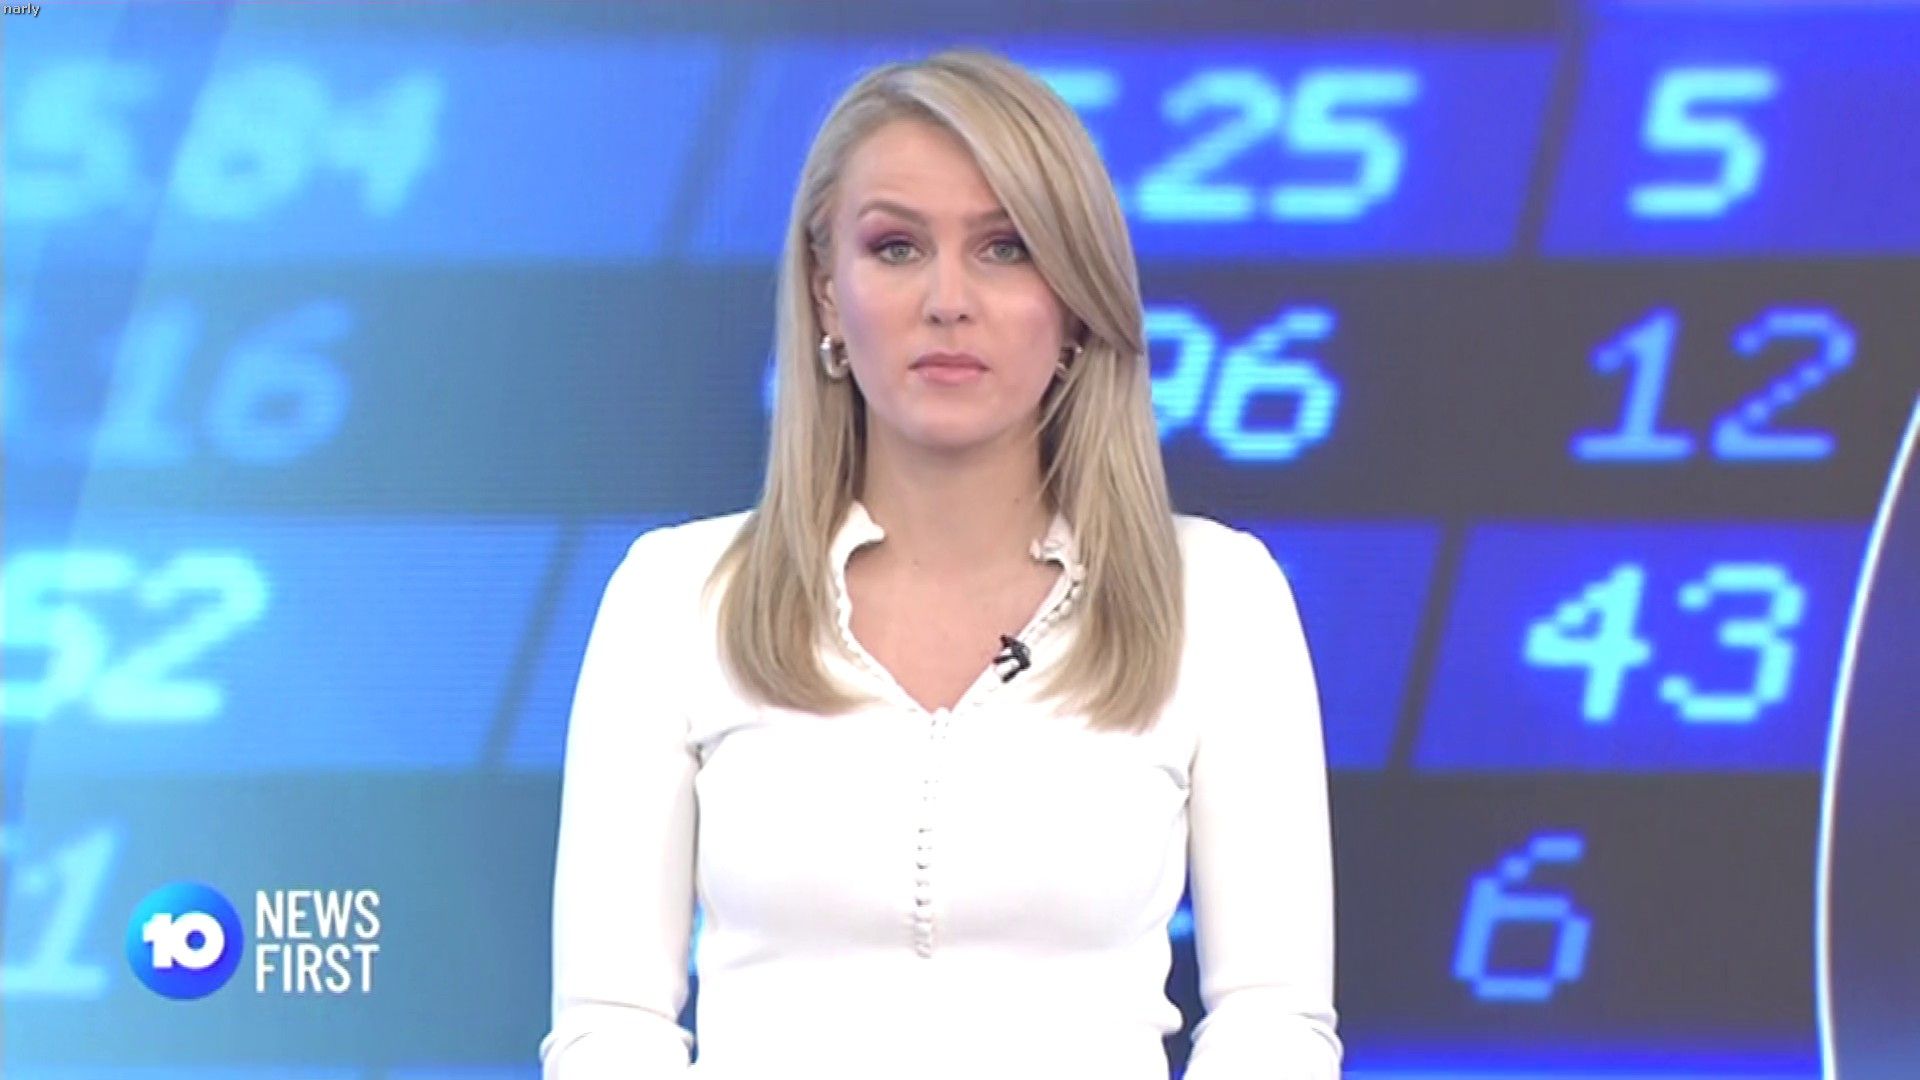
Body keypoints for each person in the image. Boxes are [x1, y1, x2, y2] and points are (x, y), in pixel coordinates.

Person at [537, 47, 1340, 1080]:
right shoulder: (675, 597)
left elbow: (1273, 1021)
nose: (949, 299)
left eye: (1005, 248)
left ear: (1075, 299)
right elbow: (612, 1025)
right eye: (897, 247)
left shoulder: (1220, 600)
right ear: (828, 294)